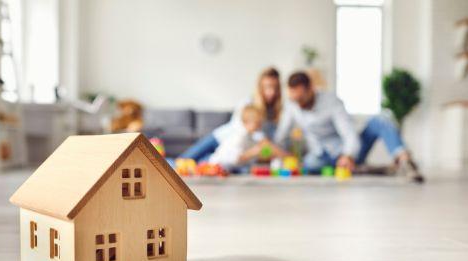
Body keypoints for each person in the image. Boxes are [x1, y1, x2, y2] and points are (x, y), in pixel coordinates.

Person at [275, 71, 423, 182]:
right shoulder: (291, 106)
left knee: (381, 119)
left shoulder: (331, 102)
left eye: (301, 98)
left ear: (311, 89)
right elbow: (281, 135)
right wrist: (277, 155)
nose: (298, 103)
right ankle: (364, 169)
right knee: (309, 165)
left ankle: (405, 162)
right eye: (294, 99)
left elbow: (348, 133)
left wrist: (348, 155)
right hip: (320, 156)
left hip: (346, 151)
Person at [180, 67, 285, 162]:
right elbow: (255, 134)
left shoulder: (274, 112)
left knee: (201, 165)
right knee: (182, 161)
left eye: (275, 88)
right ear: (260, 87)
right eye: (268, 87)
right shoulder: (247, 103)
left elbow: (268, 140)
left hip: (230, 152)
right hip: (219, 138)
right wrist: (285, 155)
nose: (272, 92)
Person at [208, 105, 287, 171]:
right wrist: (253, 152)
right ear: (246, 123)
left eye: (260, 123)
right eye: (257, 123)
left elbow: (253, 155)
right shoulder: (239, 136)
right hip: (216, 166)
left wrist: (261, 155)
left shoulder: (251, 137)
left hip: (230, 168)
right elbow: (235, 159)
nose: (260, 126)